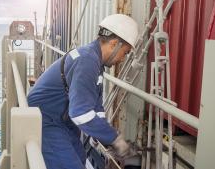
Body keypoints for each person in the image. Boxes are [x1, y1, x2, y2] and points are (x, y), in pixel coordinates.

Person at [27, 14, 139, 169]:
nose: (122, 59)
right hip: (44, 118)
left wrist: (103, 135)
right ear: (114, 44)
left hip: (63, 119)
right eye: (125, 53)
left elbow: (96, 108)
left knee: (80, 158)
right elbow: (80, 112)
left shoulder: (95, 61)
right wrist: (116, 140)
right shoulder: (87, 61)